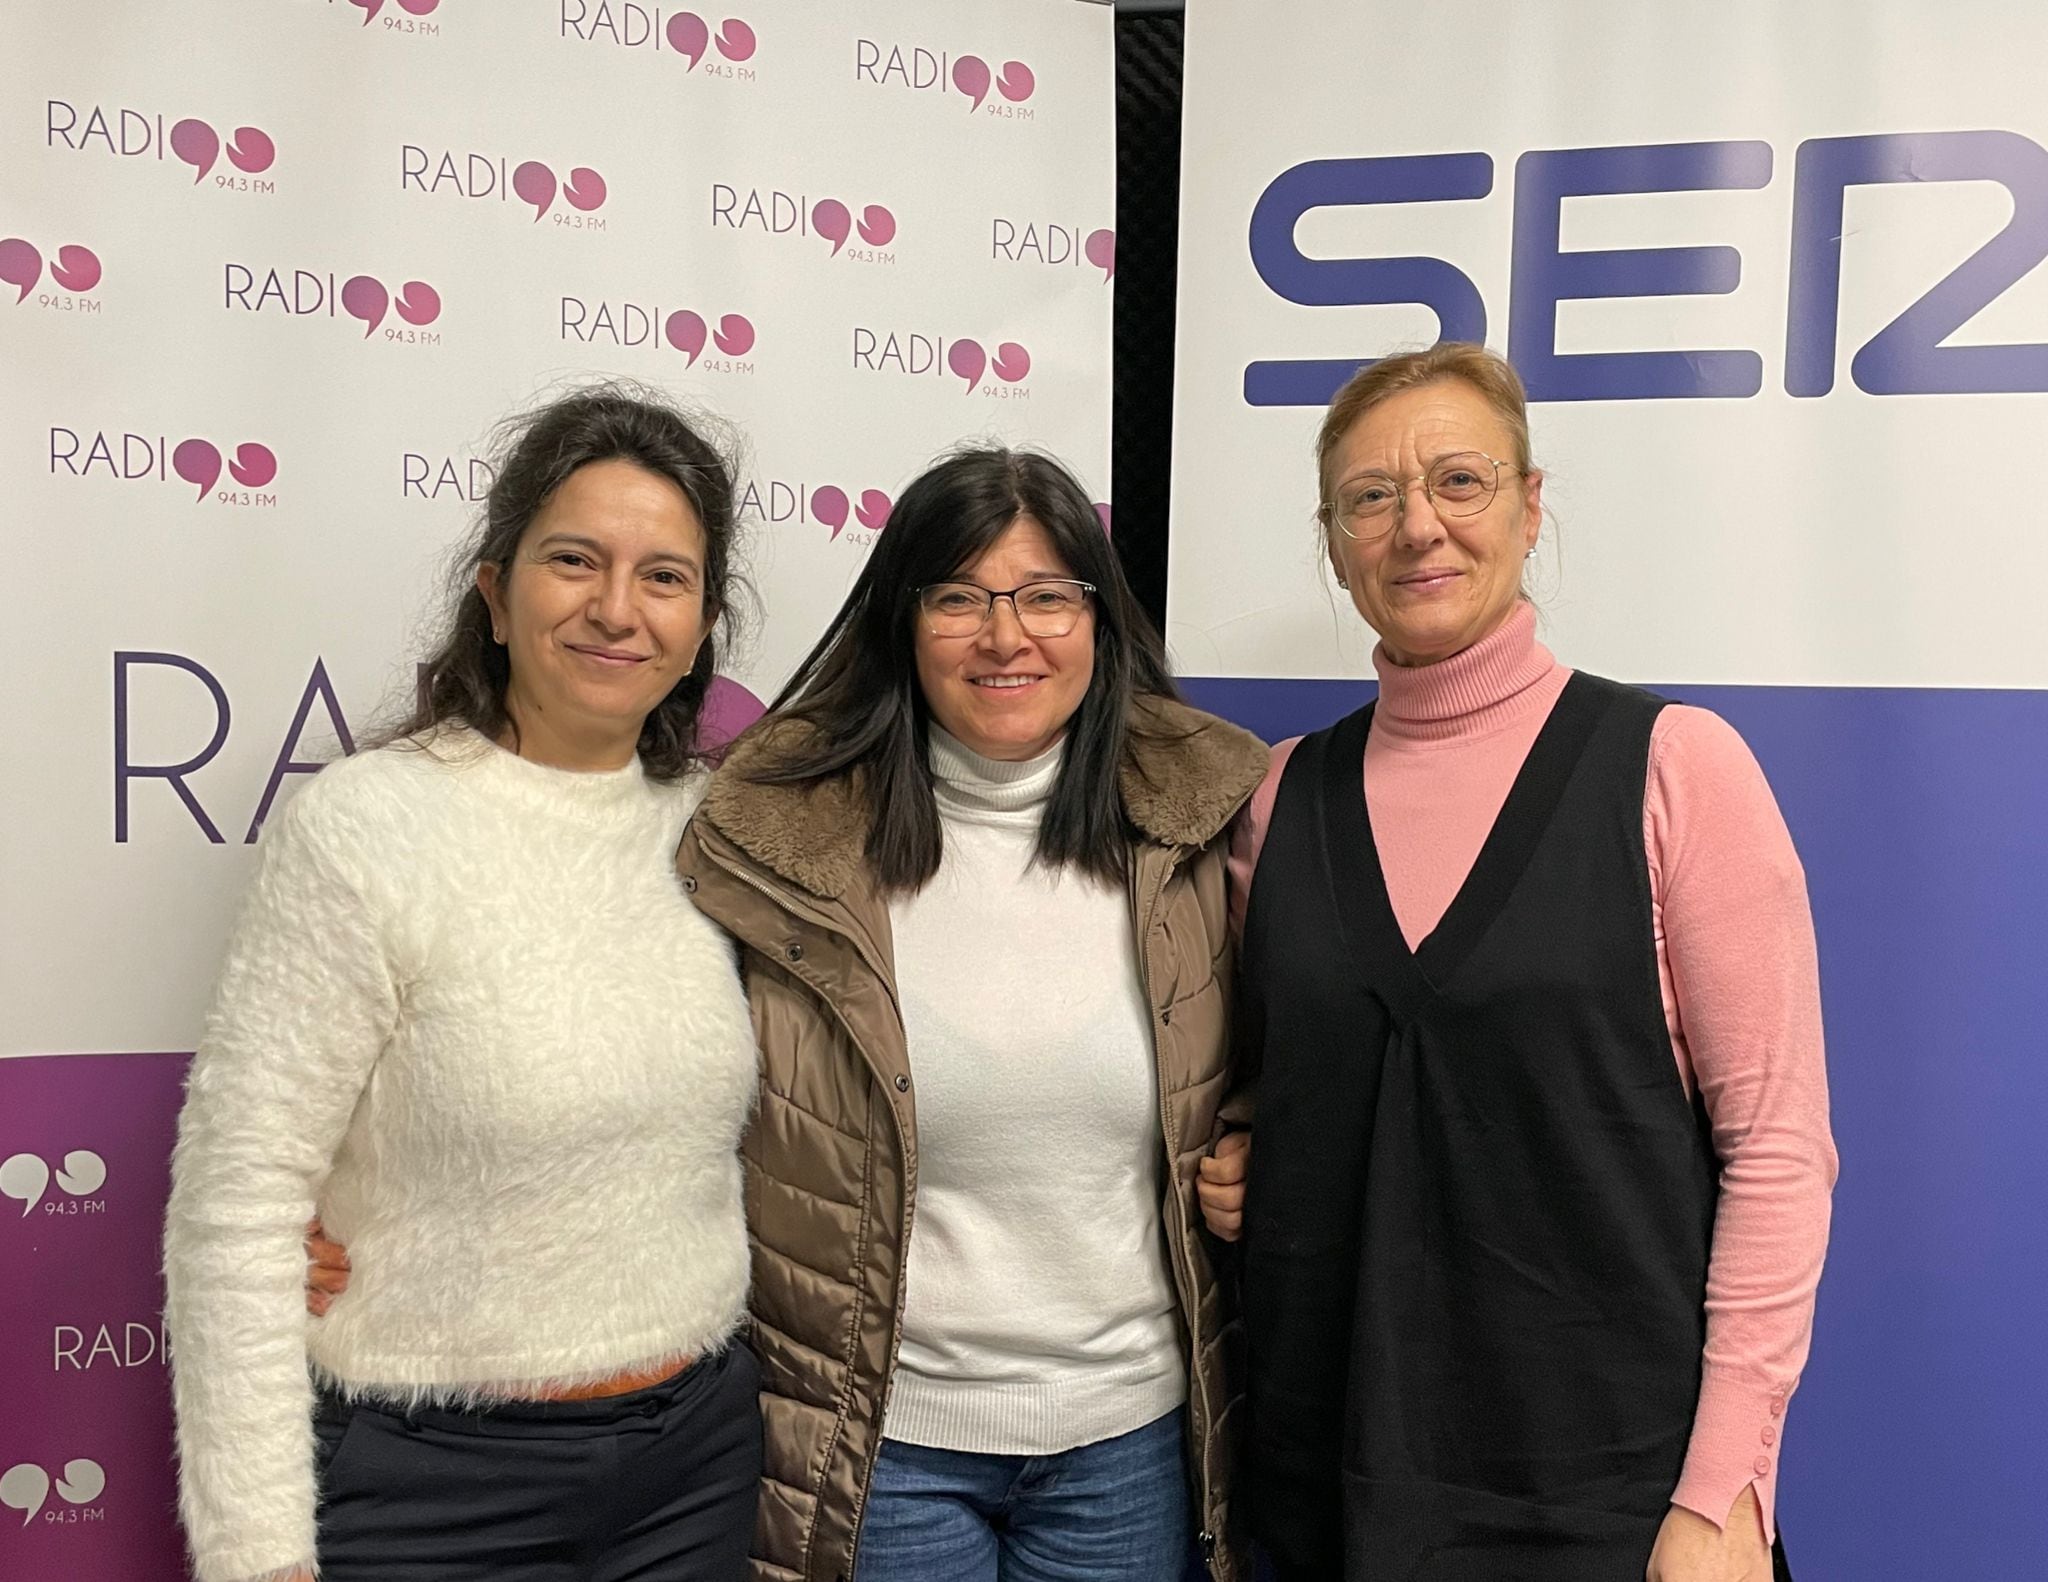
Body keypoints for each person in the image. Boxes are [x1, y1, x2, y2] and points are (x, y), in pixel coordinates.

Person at [1204, 343, 1838, 1581]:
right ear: (1332, 541)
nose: (1415, 527)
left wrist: (1723, 1487)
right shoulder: (1278, 801)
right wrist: (1246, 1148)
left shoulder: (1673, 769)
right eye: (1370, 498)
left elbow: (1777, 1146)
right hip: (1322, 1485)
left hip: (1606, 1496)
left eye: (1459, 480)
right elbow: (1286, 1083)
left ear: (1529, 506)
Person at [164, 386, 764, 1582]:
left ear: (701, 624)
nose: (614, 608)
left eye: (663, 577)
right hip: (435, 1487)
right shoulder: (367, 826)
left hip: (696, 1468)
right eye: (572, 561)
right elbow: (237, 1204)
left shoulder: (724, 832)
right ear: (494, 592)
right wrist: (256, 1551)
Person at [674, 446, 1268, 1582]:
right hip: (883, 1445)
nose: (1007, 637)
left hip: (1127, 1442)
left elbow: (1293, 1040)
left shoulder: (1203, 824)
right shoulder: (773, 842)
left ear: (1099, 619)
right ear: (901, 618)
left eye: (1046, 596)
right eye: (958, 598)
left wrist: (1252, 1127)